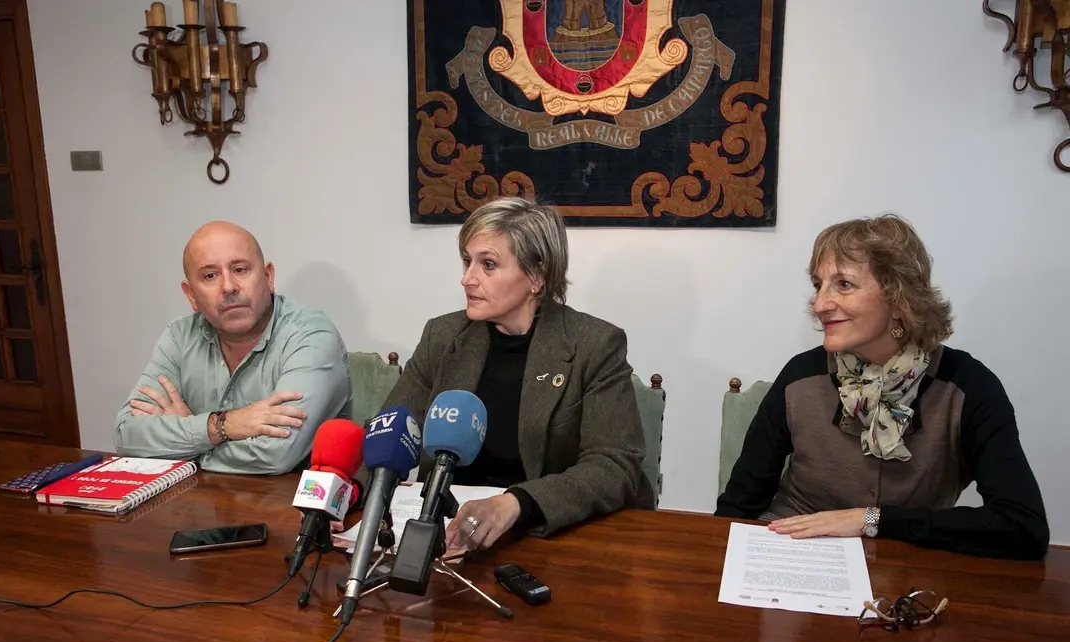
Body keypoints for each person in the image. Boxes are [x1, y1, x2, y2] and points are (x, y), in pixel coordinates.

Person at [716, 215, 1049, 560]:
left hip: (903, 566)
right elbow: (738, 506)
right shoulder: (801, 375)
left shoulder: (967, 387)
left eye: (844, 284)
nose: (819, 305)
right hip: (795, 554)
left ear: (898, 294)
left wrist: (872, 520)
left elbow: (1023, 527)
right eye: (819, 285)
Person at [383, 197, 646, 550]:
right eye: (467, 261)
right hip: (446, 533)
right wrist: (345, 495)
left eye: (487, 265)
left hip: (544, 534)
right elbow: (390, 429)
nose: (466, 279)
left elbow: (615, 465)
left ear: (536, 275)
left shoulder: (594, 346)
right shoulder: (442, 337)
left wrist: (517, 502)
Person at [113, 221, 350, 475]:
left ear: (268, 277)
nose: (228, 287)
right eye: (210, 276)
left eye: (240, 269)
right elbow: (127, 435)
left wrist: (189, 440)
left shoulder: (310, 336)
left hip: (290, 508)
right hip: (196, 506)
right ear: (191, 295)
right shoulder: (179, 336)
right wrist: (222, 425)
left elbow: (275, 454)